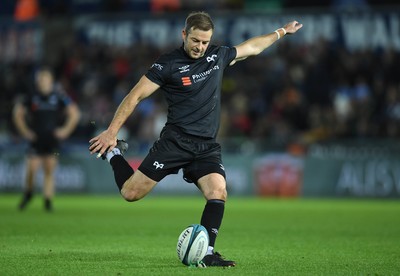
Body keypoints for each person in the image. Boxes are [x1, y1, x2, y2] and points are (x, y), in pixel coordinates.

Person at [89, 12, 302, 267]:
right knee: (130, 193)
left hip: (206, 147)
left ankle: (207, 253)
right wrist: (112, 132)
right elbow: (134, 96)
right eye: (196, 40)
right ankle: (113, 154)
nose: (200, 47)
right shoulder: (167, 64)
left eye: (205, 42)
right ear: (184, 34)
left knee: (218, 191)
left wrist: (281, 32)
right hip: (175, 142)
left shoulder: (217, 56)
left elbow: (252, 47)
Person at [13, 66, 80, 212]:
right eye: (40, 79)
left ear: (51, 81)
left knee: (49, 169)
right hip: (36, 138)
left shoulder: (59, 96)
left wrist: (65, 130)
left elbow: (74, 113)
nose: (43, 82)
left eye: (45, 79)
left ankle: (48, 201)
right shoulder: (31, 96)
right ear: (37, 81)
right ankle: (29, 193)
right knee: (32, 169)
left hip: (52, 139)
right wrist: (25, 131)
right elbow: (18, 113)